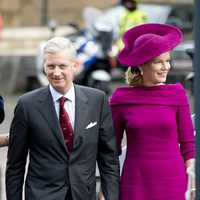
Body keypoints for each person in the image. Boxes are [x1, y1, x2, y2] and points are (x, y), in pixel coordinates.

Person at [6, 36, 120, 200]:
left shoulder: (97, 100)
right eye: (50, 66)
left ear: (75, 66)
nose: (56, 72)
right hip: (41, 195)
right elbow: (15, 165)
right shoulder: (26, 105)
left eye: (62, 66)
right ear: (44, 67)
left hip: (83, 194)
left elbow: (109, 160)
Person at [110, 23, 195, 200]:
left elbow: (188, 145)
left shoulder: (177, 94)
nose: (166, 67)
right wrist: (107, 187)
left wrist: (193, 183)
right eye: (158, 62)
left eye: (167, 60)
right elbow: (112, 149)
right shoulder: (121, 99)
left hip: (174, 182)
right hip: (135, 183)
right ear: (141, 65)